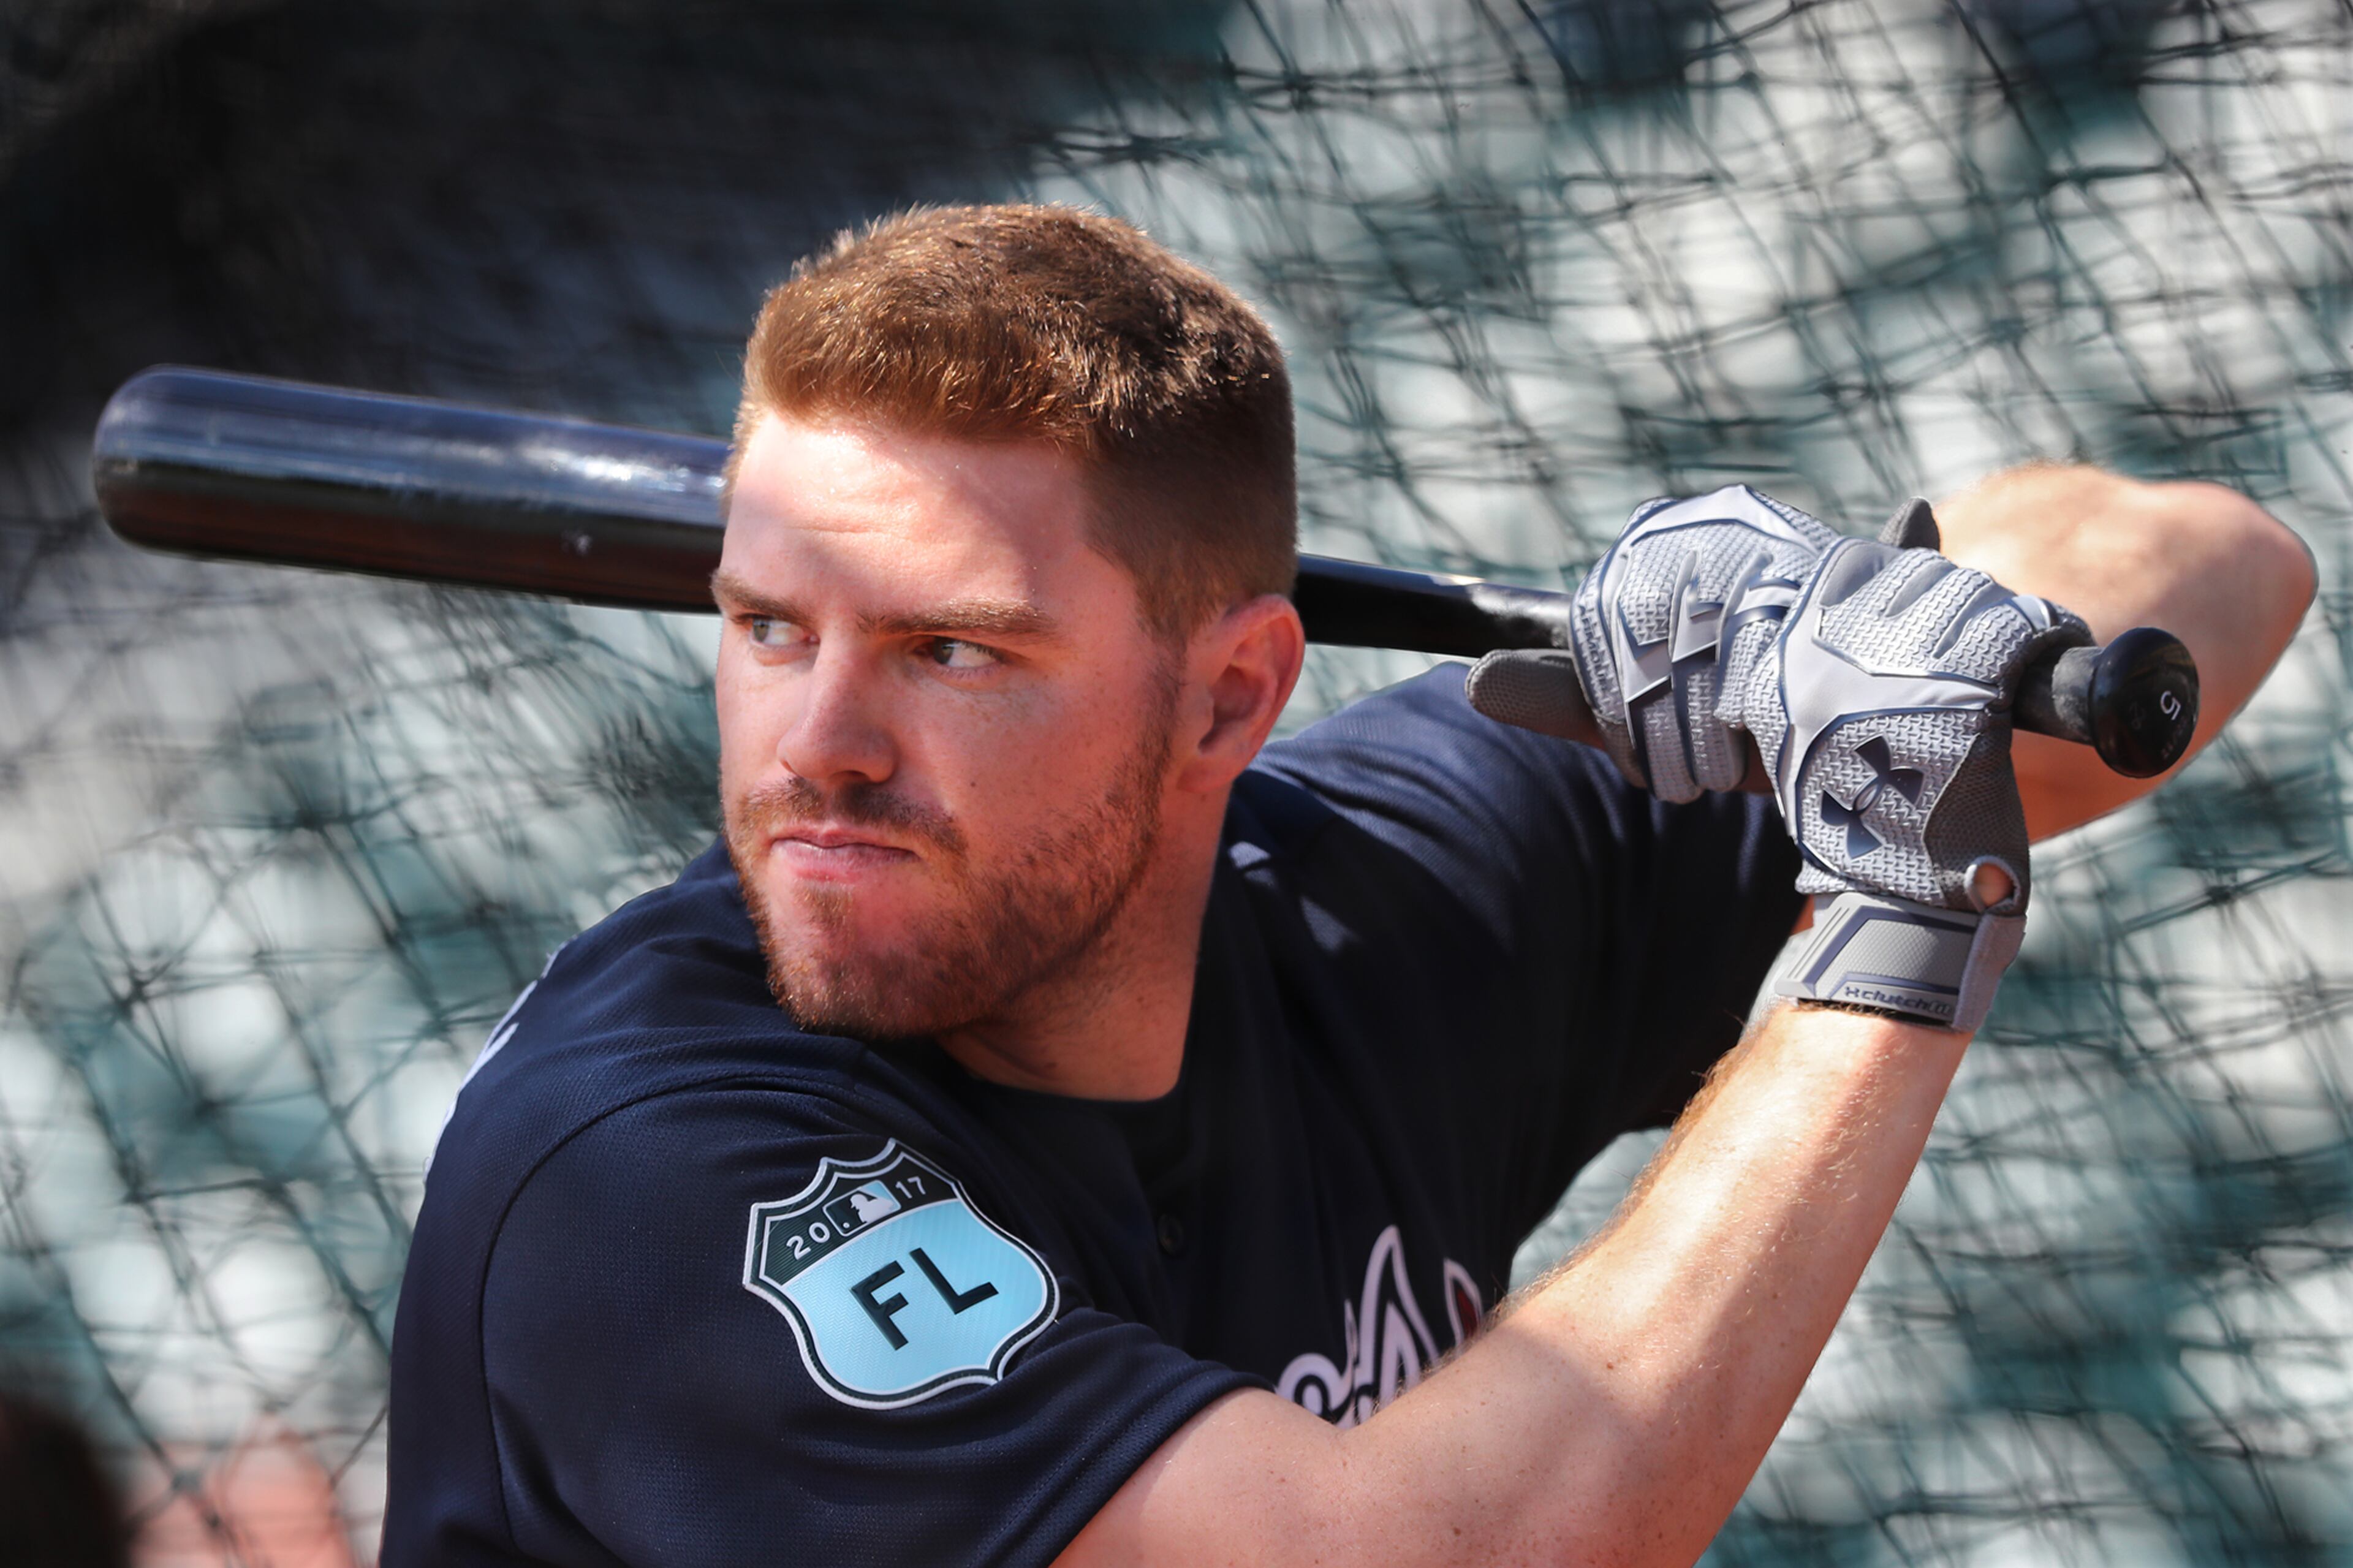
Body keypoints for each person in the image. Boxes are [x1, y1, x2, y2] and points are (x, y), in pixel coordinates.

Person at [382, 204, 2313, 1567]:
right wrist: (1903, 903)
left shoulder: (1380, 881)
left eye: (949, 652)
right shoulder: (640, 1171)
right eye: (769, 628)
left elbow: (2217, 559)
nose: (819, 744)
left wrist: (1869, 631)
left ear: (1232, 692)